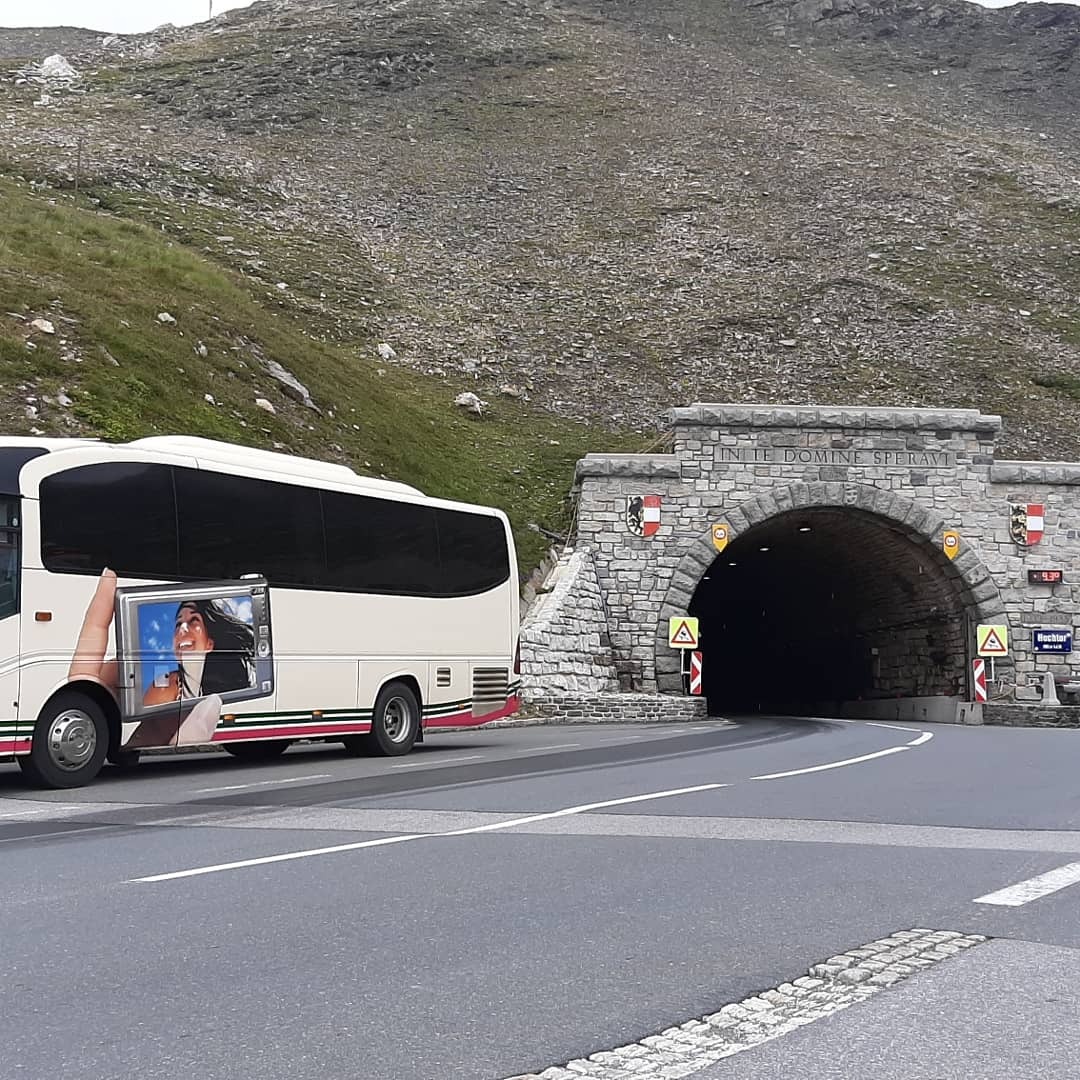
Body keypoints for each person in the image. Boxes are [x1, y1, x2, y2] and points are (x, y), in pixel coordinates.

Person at [142, 598, 255, 705]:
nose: (182, 629)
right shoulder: (164, 686)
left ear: (209, 644)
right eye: (178, 624)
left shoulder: (221, 692)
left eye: (193, 620)